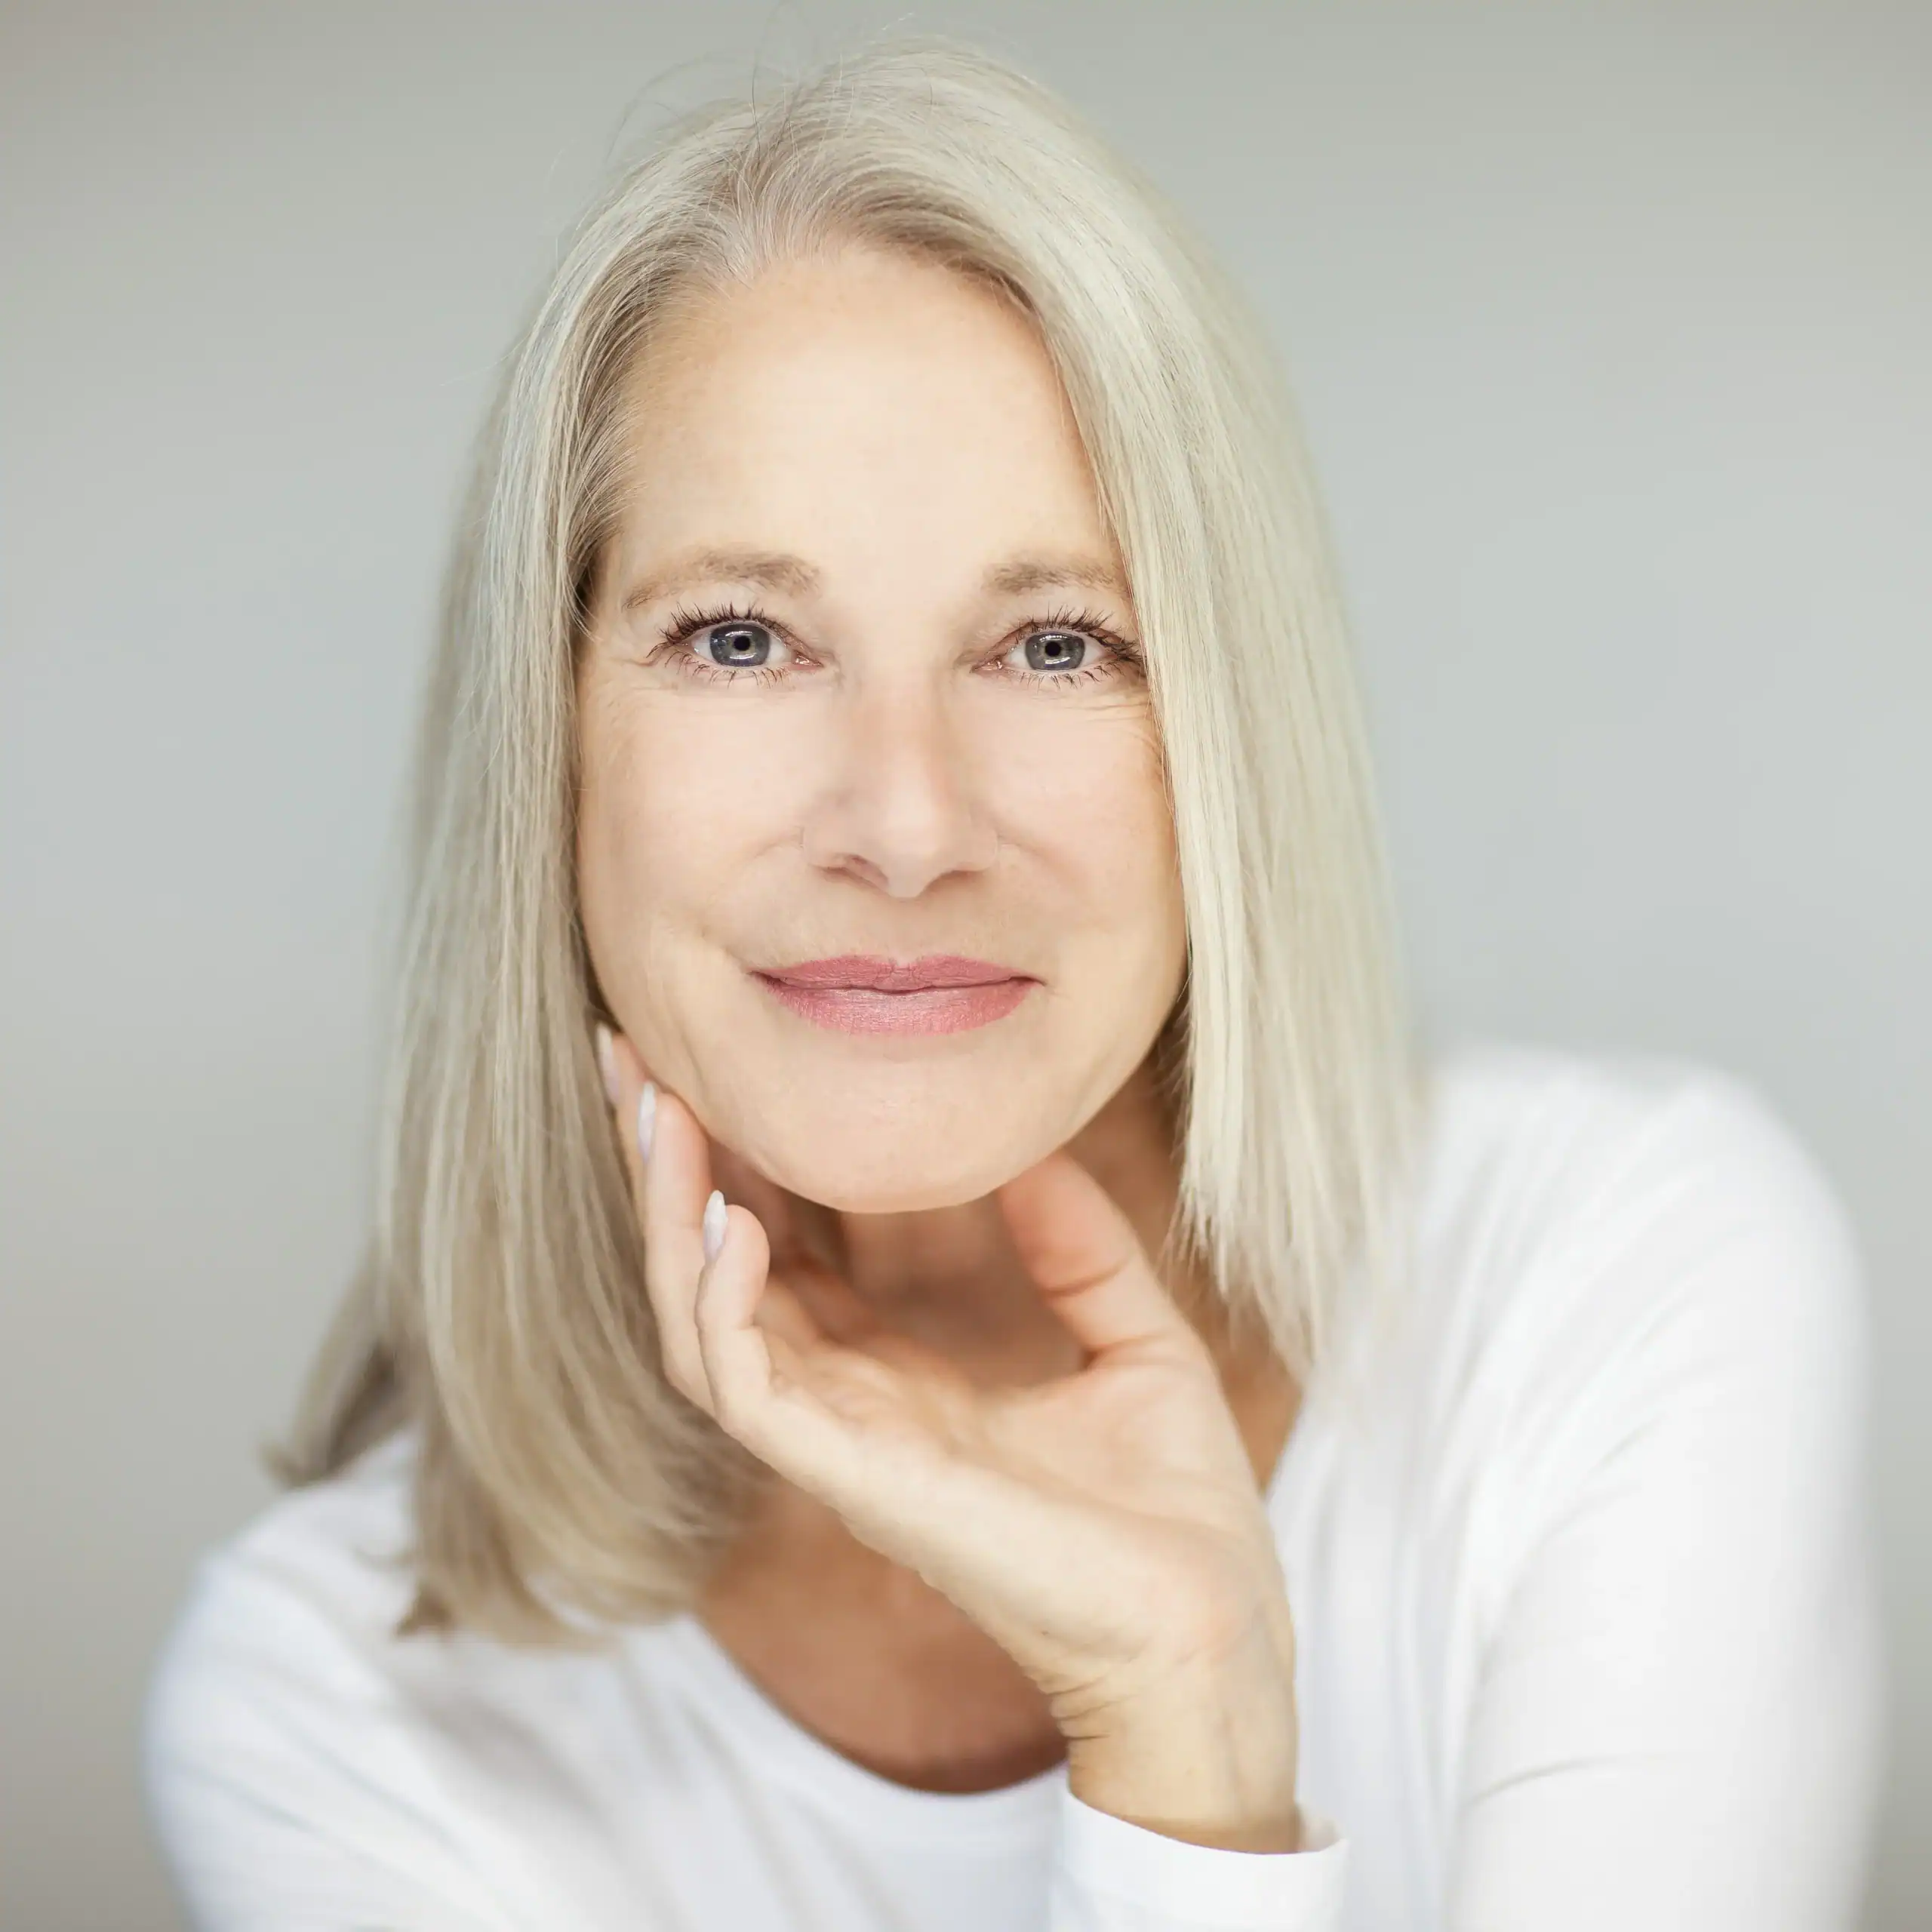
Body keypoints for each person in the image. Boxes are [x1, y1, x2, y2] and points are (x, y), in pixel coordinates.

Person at [140, 35, 1883, 1932]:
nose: (903, 822)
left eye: (1054, 644)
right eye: (740, 636)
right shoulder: (335, 1705)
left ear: (1225, 731)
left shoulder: (1609, 1278)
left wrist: (1182, 1724)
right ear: (549, 745)